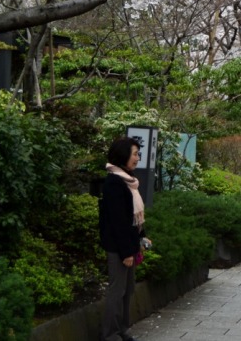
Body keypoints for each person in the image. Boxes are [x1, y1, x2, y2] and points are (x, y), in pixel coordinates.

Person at [100, 137, 149, 341]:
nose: (137, 158)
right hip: (119, 247)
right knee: (117, 291)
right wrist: (126, 252)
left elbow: (134, 216)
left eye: (138, 154)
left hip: (129, 244)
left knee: (127, 290)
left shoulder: (129, 180)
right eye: (135, 154)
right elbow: (118, 221)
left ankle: (122, 330)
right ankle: (110, 334)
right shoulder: (114, 182)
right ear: (123, 155)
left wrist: (142, 237)